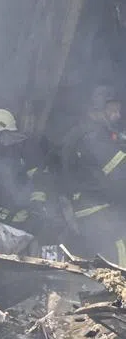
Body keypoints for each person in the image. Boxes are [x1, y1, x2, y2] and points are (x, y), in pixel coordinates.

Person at [62, 86, 126, 262]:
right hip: (100, 214)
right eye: (113, 110)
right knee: (120, 257)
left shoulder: (82, 132)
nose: (118, 116)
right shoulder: (93, 136)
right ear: (98, 108)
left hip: (91, 215)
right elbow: (121, 172)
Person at [0, 109, 49, 235]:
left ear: (1, 133)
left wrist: (36, 211)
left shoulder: (26, 151)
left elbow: (39, 182)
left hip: (20, 222)